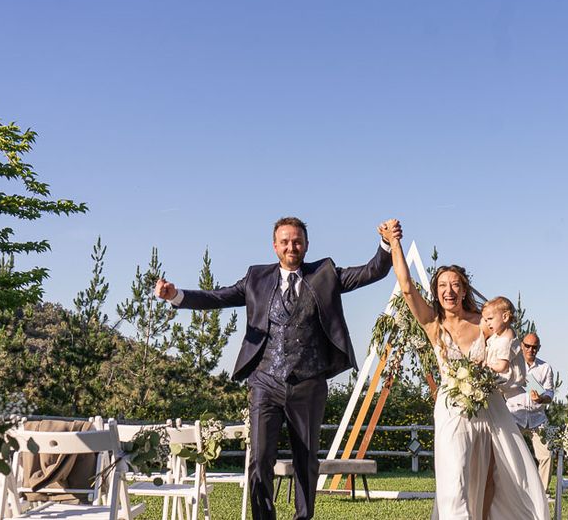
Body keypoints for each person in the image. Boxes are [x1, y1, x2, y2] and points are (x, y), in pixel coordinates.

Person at [155, 216, 398, 520]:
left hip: (308, 383)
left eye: (296, 241)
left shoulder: (325, 274)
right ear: (275, 246)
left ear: (306, 245)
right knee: (259, 458)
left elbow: (370, 272)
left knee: (306, 460)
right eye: (284, 241)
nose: (291, 246)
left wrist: (386, 243)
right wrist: (176, 296)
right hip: (265, 382)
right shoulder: (256, 278)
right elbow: (219, 297)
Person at [380, 220, 549, 520]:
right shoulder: (434, 324)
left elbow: (507, 342)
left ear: (464, 289)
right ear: (436, 291)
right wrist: (395, 244)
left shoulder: (482, 321)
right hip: (452, 409)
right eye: (443, 285)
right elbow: (406, 288)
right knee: (454, 478)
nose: (449, 290)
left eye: (455, 284)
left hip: (489, 409)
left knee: (496, 478)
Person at [506, 332, 556, 493]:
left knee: (547, 455)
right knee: (510, 455)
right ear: (522, 345)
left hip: (537, 418)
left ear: (539, 348)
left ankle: (540, 493)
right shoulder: (511, 364)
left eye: (534, 347)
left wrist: (541, 399)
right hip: (514, 415)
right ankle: (512, 490)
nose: (530, 349)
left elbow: (550, 393)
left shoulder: (545, 367)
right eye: (527, 346)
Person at [482, 296, 527, 400]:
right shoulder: (502, 335)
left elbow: (502, 366)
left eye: (490, 319)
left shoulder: (505, 341)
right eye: (485, 320)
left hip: (508, 389)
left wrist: (486, 366)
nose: (488, 323)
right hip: (506, 389)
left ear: (505, 317)